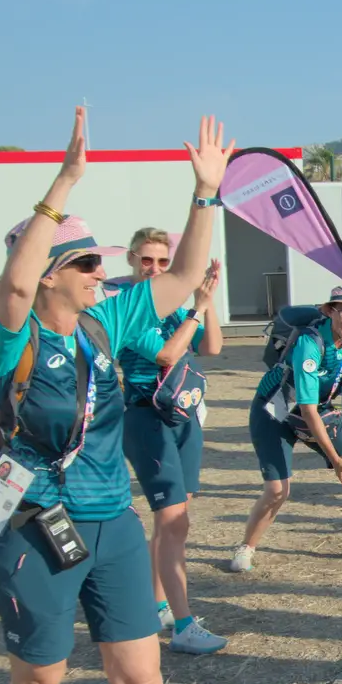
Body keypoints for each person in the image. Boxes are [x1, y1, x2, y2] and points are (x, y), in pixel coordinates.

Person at [0, 109, 241, 684]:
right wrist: (64, 181)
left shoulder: (108, 321)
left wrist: (205, 193)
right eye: (89, 263)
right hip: (36, 523)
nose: (106, 272)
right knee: (41, 678)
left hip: (113, 524)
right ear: (54, 274)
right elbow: (15, 286)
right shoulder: (13, 334)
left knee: (139, 672)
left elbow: (187, 277)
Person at [231, 285, 342, 571]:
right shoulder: (310, 343)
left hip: (317, 407)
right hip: (275, 410)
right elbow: (307, 409)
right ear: (329, 311)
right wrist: (334, 460)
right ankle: (246, 546)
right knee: (277, 490)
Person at [115, 229, 228, 654]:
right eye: (147, 260)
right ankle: (183, 624)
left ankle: (157, 603)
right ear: (131, 259)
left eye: (164, 262)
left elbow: (212, 347)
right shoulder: (128, 311)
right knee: (173, 522)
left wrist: (206, 300)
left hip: (183, 416)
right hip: (146, 417)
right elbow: (165, 355)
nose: (156, 269)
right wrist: (195, 310)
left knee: (173, 521)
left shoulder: (178, 308)